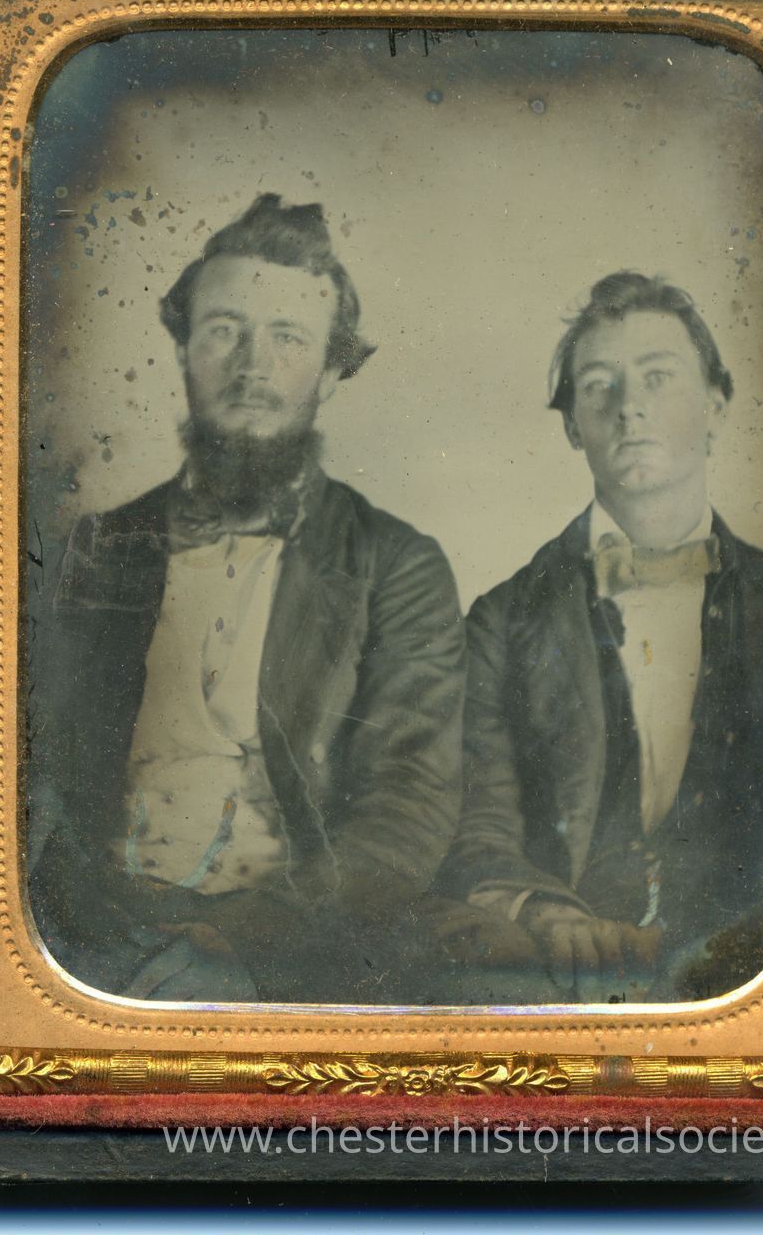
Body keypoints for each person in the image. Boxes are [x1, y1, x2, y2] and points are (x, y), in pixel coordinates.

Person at [25, 193, 464, 1003]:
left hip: (290, 950)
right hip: (99, 938)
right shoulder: (102, 545)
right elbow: (34, 767)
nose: (252, 365)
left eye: (288, 337)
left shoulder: (396, 565)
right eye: (224, 330)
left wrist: (248, 939)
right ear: (184, 347)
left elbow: (408, 807)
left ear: (332, 368)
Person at [435, 271, 763, 1004]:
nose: (629, 406)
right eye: (599, 385)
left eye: (658, 378)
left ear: (716, 405)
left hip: (752, 979)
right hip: (564, 978)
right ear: (574, 425)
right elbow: (479, 824)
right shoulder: (504, 619)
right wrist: (545, 911)